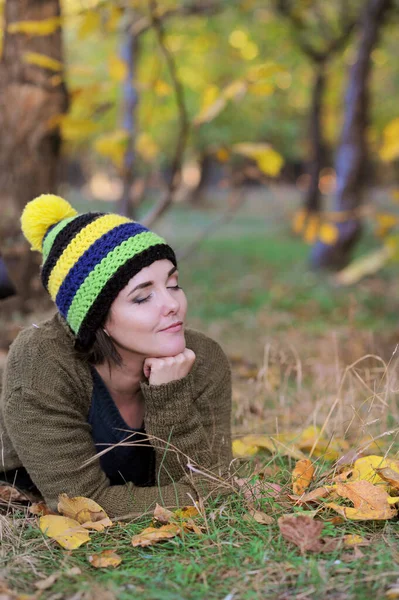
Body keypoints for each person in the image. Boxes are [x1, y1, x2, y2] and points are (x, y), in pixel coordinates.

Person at [0, 195, 233, 517]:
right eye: (142, 297)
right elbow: (83, 504)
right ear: (96, 319)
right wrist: (207, 494)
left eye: (173, 284)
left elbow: (211, 480)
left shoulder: (203, 358)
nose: (173, 304)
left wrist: (170, 399)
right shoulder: (41, 362)